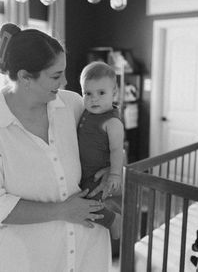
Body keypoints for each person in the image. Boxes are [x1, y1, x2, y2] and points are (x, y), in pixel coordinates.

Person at [0, 23, 112, 272]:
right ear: (24, 77)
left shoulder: (72, 104)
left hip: (88, 248)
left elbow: (109, 133)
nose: (65, 80)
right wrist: (62, 211)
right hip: (32, 257)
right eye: (55, 75)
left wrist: (112, 166)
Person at [78, 61, 124, 240]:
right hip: (84, 170)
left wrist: (114, 175)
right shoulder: (87, 111)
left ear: (114, 93)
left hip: (97, 173)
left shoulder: (112, 122)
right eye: (87, 93)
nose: (93, 98)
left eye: (101, 93)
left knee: (88, 205)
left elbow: (117, 150)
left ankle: (114, 220)